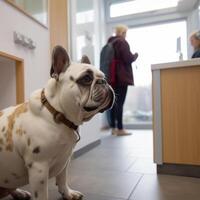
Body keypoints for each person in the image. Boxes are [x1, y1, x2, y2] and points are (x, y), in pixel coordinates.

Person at [108, 24, 138, 136]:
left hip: (112, 77)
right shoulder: (122, 42)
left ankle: (113, 128)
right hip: (122, 76)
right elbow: (128, 58)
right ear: (123, 32)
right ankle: (120, 129)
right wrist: (135, 56)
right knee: (120, 103)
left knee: (113, 102)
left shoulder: (110, 42)